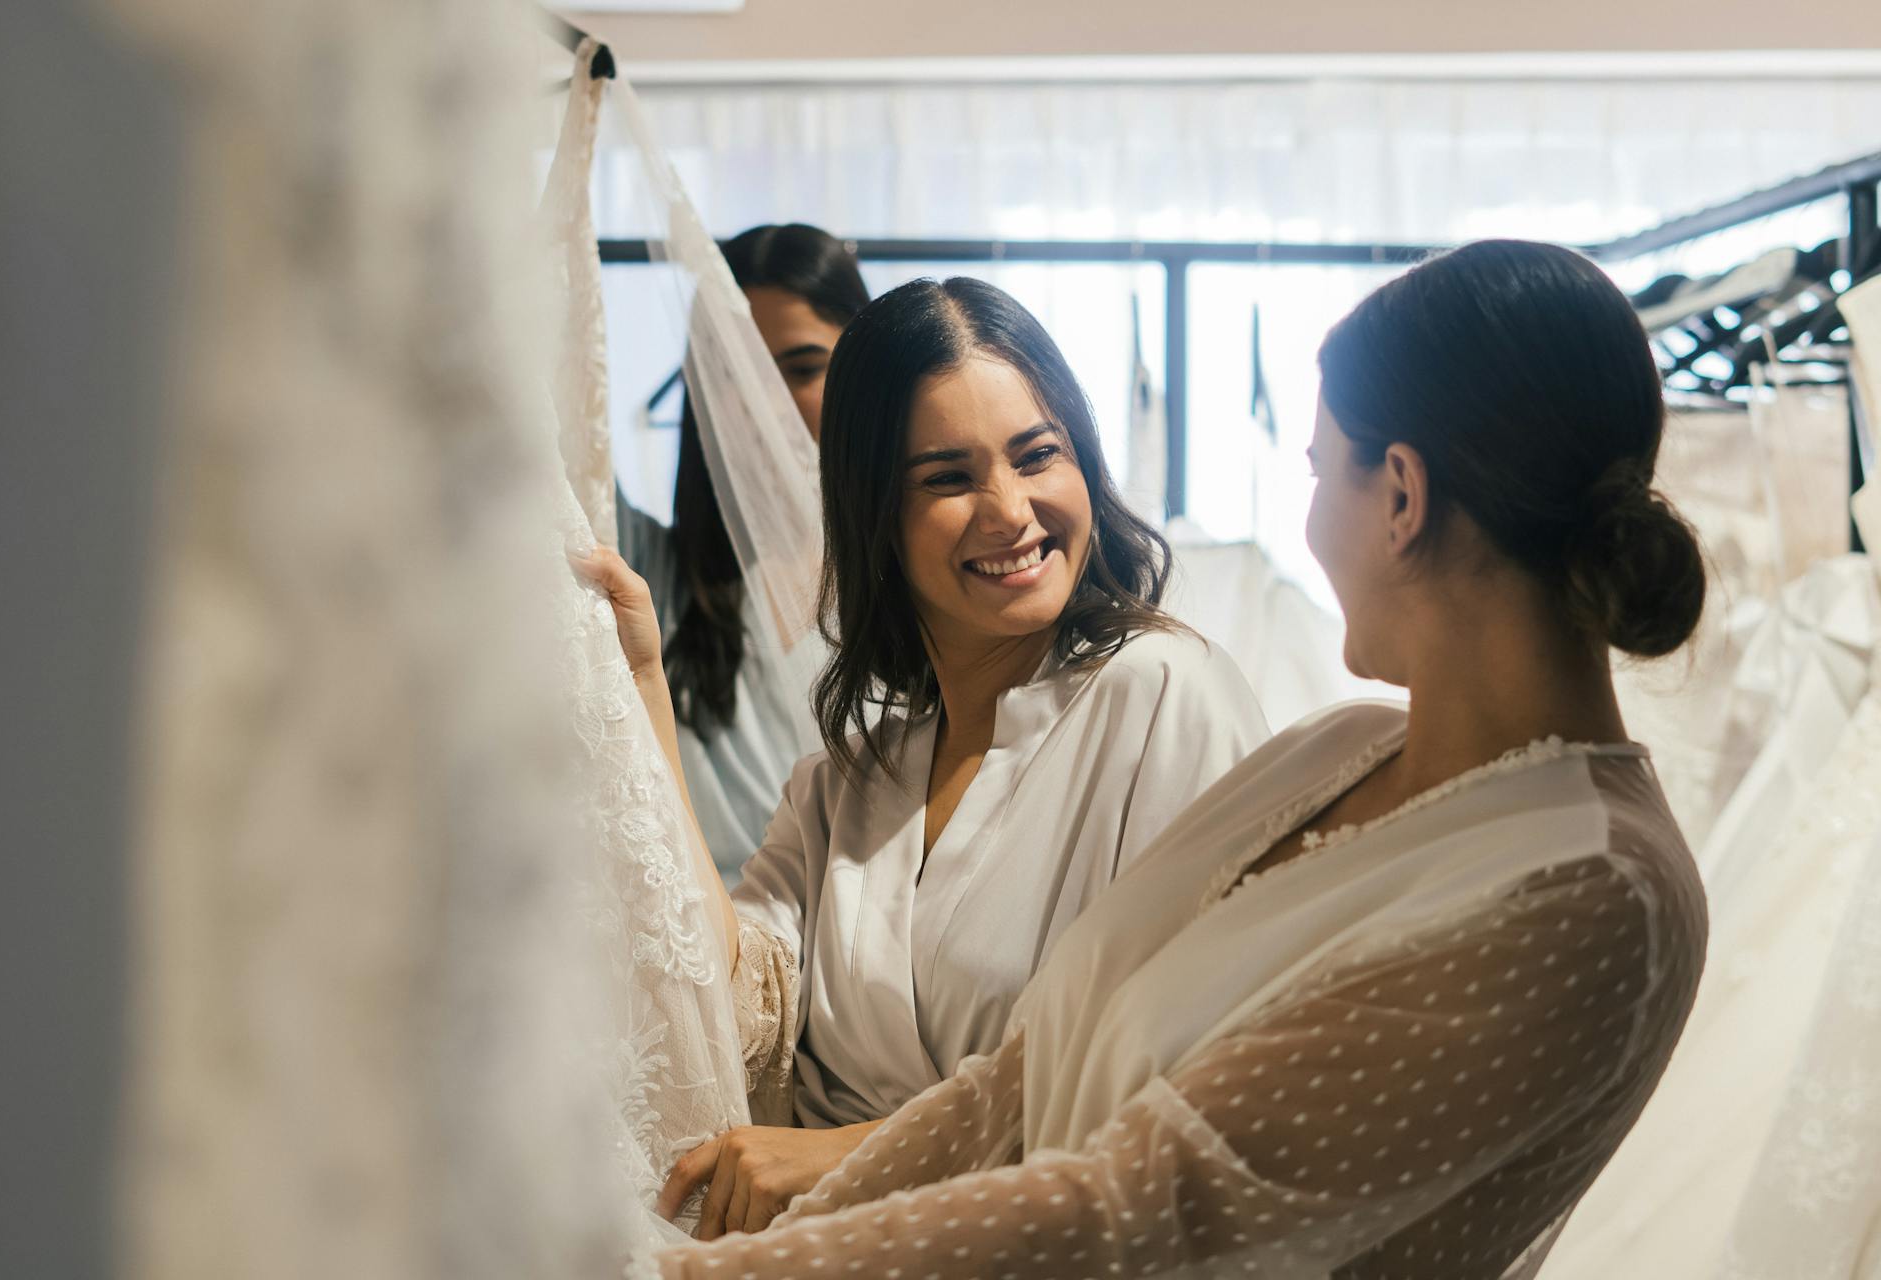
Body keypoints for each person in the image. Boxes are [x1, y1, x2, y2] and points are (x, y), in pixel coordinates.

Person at [634, 239, 1711, 1279]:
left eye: (1316, 470)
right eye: (947, 475)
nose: (1309, 521)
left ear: (1399, 496)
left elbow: (1148, 1205)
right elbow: (1024, 1080)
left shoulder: (1602, 891)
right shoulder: (1343, 748)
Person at [582, 277, 1270, 1239]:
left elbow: (1200, 1080)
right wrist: (645, 685)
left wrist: (855, 1148)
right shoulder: (852, 779)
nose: (1009, 510)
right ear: (876, 518)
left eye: (1039, 455)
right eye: (947, 479)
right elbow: (726, 1005)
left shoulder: (1161, 694)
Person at [616, 223, 871, 885]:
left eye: (802, 368)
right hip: (716, 968)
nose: (762, 404)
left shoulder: (918, 578)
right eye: (735, 373)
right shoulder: (646, 571)